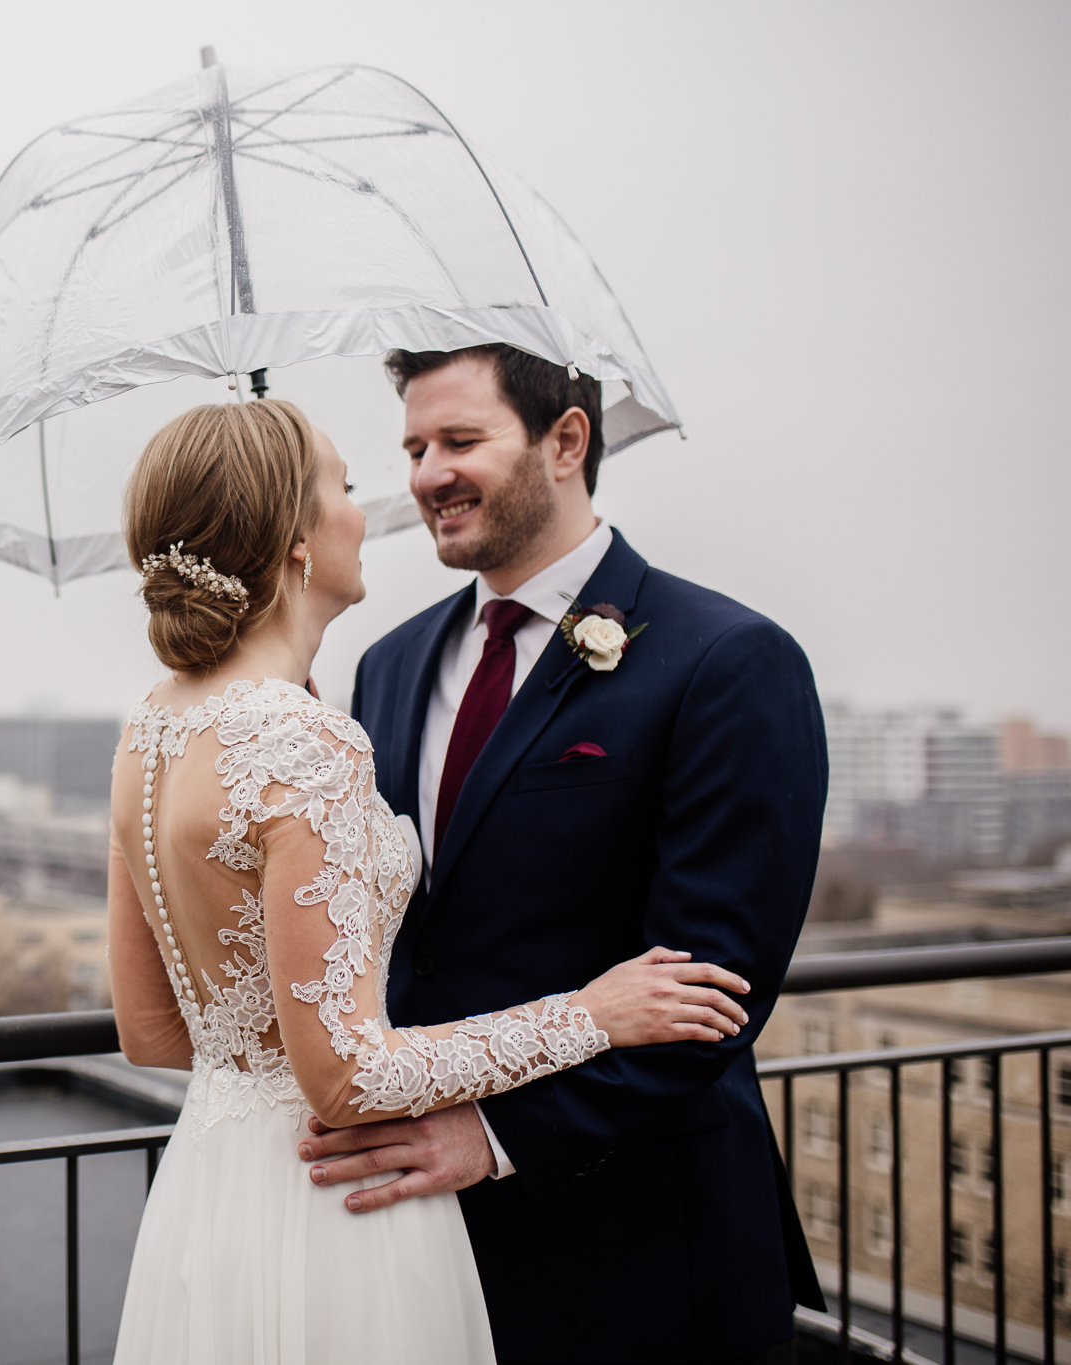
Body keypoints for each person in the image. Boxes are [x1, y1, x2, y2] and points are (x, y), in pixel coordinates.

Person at [107, 398, 753, 1365]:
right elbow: (350, 1075)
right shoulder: (306, 740)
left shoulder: (151, 728)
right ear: (292, 540)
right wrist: (594, 1012)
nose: (370, 507)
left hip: (215, 1186)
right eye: (343, 484)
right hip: (337, 1199)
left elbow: (151, 1032)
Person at [302, 344, 827, 1364]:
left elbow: (709, 986)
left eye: (459, 440)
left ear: (566, 442)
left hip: (639, 1241)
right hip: (423, 1231)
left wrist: (491, 1137)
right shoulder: (387, 663)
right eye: (412, 447)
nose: (424, 475)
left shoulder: (723, 659)